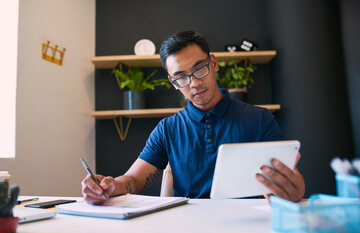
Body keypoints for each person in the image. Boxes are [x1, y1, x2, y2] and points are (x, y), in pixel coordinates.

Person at [82, 31, 305, 205]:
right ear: (173, 82)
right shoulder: (167, 128)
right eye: (181, 77)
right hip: (186, 227)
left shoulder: (259, 119)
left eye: (200, 69)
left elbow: (290, 177)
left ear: (214, 63)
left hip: (245, 225)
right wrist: (110, 186)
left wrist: (295, 190)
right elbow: (134, 180)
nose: (194, 83)